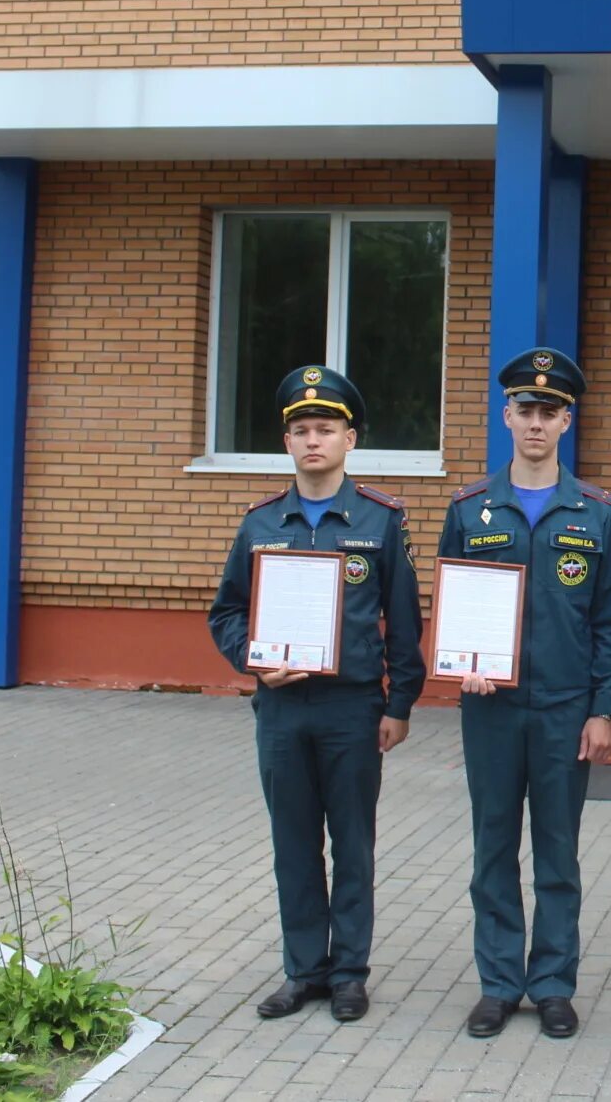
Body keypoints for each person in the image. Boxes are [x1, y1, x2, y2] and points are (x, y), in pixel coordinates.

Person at [208, 365, 426, 1025]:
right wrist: (254, 659)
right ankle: (304, 969)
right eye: (300, 430)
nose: (312, 440)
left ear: (349, 438)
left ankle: (351, 972)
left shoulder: (380, 521)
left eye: (325, 428)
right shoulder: (260, 523)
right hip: (280, 707)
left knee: (352, 842)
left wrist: (399, 704)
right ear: (287, 442)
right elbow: (226, 612)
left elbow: (405, 620)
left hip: (351, 708)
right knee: (294, 843)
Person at [439, 347, 611, 1040]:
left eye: (550, 411)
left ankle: (551, 982)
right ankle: (497, 982)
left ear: (567, 420)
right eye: (526, 409)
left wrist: (603, 706)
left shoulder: (597, 513)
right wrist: (464, 663)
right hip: (490, 706)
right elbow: (453, 602)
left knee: (556, 849)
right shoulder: (470, 508)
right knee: (492, 846)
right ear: (506, 415)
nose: (537, 422)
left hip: (562, 708)